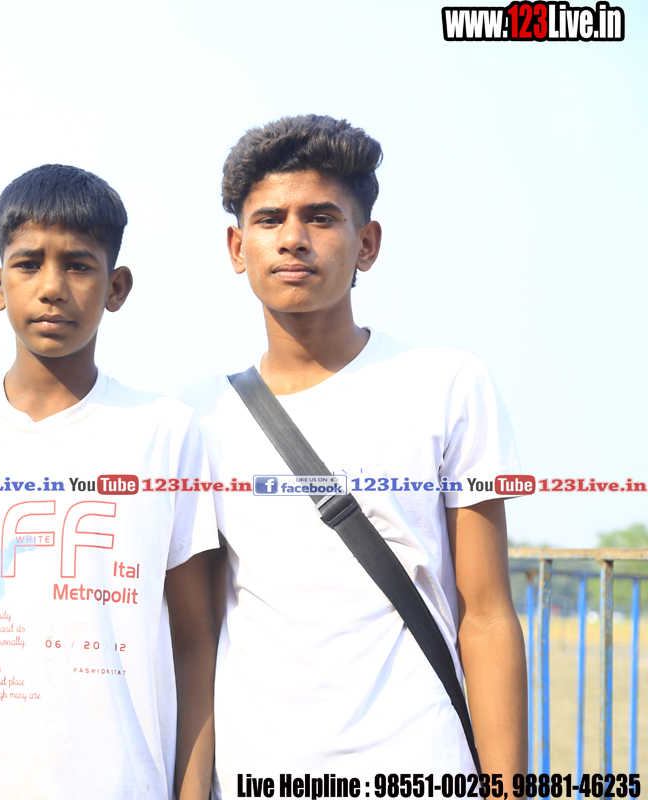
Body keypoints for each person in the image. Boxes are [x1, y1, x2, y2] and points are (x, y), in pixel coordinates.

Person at [181, 115, 527, 791]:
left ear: (366, 244)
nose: (293, 239)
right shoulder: (197, 420)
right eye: (269, 219)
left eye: (321, 217)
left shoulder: (449, 384)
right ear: (237, 247)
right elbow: (196, 636)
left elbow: (487, 614)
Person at [0, 164, 218, 800]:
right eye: (28, 264)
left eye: (78, 265)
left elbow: (195, 641)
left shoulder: (166, 432)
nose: (52, 288)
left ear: (116, 287)